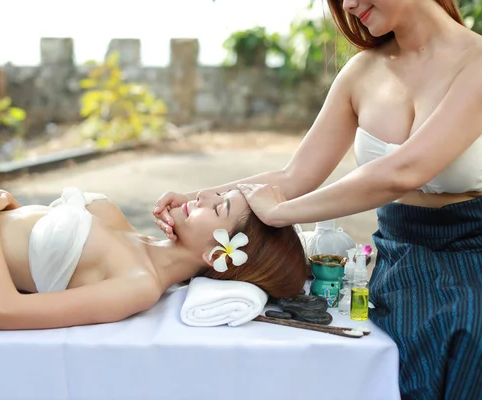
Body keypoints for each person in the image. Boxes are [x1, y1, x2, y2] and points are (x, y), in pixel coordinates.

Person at [153, 1, 482, 398]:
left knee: (467, 323)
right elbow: (295, 176)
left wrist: (282, 213)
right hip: (404, 256)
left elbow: (406, 171)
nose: (347, 5)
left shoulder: (475, 62)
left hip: (472, 249)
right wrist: (197, 200)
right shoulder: (362, 72)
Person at [0, 179, 307, 332]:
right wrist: (4, 205)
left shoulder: (139, 286)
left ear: (218, 255)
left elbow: (3, 311)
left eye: (218, 207)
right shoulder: (138, 239)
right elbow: (36, 242)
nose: (202, 196)